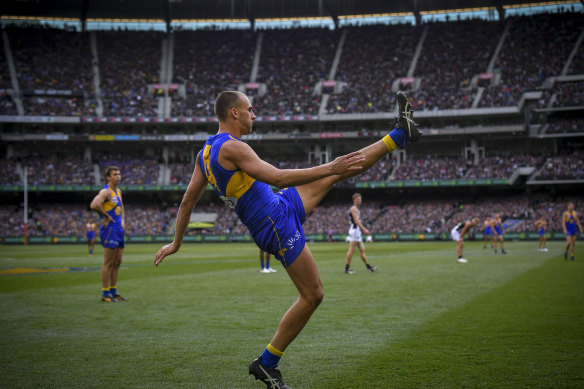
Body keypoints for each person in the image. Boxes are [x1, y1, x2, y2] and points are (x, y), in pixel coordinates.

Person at [154, 90, 420, 389]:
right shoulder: (232, 148)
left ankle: (399, 134)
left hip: (278, 206)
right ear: (234, 113)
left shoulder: (206, 152)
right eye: (250, 109)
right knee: (313, 294)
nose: (254, 115)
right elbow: (278, 177)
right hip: (274, 223)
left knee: (336, 173)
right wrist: (330, 166)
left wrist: (176, 242)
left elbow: (188, 200)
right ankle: (266, 364)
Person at [90, 166, 128, 303]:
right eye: (114, 174)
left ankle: (113, 291)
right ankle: (105, 294)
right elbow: (94, 204)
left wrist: (123, 220)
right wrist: (105, 215)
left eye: (119, 174)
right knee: (108, 262)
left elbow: (121, 206)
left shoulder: (118, 191)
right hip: (110, 229)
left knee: (117, 262)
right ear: (108, 177)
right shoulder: (106, 192)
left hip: (118, 229)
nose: (118, 176)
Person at [344, 193, 377, 274]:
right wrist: (364, 229)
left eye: (360, 199)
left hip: (357, 231)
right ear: (354, 200)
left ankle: (368, 267)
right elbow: (356, 221)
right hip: (355, 231)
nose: (360, 200)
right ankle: (347, 268)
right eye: (358, 199)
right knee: (352, 249)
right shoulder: (353, 208)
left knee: (362, 249)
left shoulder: (357, 209)